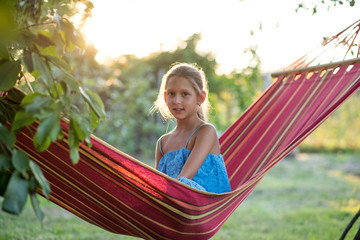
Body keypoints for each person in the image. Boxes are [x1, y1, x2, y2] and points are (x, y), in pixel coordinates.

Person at [152, 63, 231, 193]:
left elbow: (184, 180)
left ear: (201, 98)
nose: (177, 100)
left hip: (202, 205)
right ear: (165, 98)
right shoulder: (163, 143)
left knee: (182, 183)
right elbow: (158, 185)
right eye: (171, 94)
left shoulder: (205, 131)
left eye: (185, 94)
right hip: (171, 205)